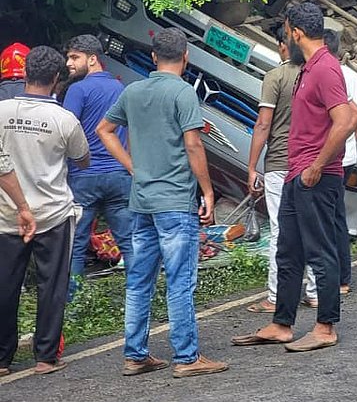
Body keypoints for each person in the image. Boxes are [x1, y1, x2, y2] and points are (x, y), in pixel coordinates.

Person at [97, 28, 228, 378]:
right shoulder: (183, 92)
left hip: (141, 201)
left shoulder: (133, 91)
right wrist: (208, 191)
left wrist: (131, 166)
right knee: (180, 280)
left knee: (139, 280)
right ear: (186, 57)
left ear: (154, 57)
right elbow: (193, 145)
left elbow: (104, 130)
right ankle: (186, 357)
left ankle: (135, 355)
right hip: (175, 201)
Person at [233, 3, 357, 354]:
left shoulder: (325, 68)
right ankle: (281, 323)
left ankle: (325, 327)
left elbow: (346, 119)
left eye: (287, 31)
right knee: (288, 250)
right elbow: (348, 114)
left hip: (315, 175)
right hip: (295, 172)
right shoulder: (307, 67)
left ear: (296, 33)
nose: (286, 37)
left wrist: (318, 165)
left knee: (320, 251)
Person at [0, 46, 89, 376]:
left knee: (5, 285)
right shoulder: (64, 119)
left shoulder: (1, 111)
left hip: (6, 215)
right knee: (52, 285)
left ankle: (2, 358)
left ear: (24, 74)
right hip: (53, 213)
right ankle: (45, 356)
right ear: (56, 79)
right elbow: (82, 158)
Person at [245, 27, 317, 313]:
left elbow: (263, 124)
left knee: (280, 230)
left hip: (279, 163)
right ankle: (314, 292)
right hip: (311, 163)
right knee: (310, 227)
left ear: (282, 47)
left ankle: (276, 296)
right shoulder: (316, 73)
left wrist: (252, 166)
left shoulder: (276, 77)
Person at [62, 34, 133, 291]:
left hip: (84, 176)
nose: (68, 63)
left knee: (76, 244)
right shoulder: (120, 88)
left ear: (93, 59)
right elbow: (129, 130)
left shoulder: (78, 90)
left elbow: (66, 130)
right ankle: (139, 296)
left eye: (74, 57)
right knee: (129, 241)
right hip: (118, 175)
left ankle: (73, 303)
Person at [323, 29, 357, 292]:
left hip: (327, 156)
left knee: (327, 217)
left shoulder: (326, 74)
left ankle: (332, 277)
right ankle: (342, 276)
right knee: (337, 215)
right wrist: (354, 138)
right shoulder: (353, 76)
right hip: (347, 156)